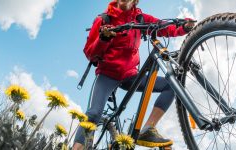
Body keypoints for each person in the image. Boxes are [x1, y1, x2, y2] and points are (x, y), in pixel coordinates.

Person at [73, 0, 194, 149]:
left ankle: (148, 129)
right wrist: (103, 39)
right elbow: (90, 53)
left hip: (130, 75)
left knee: (171, 85)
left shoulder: (140, 19)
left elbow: (162, 27)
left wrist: (183, 27)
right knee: (94, 113)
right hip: (107, 75)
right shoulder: (104, 19)